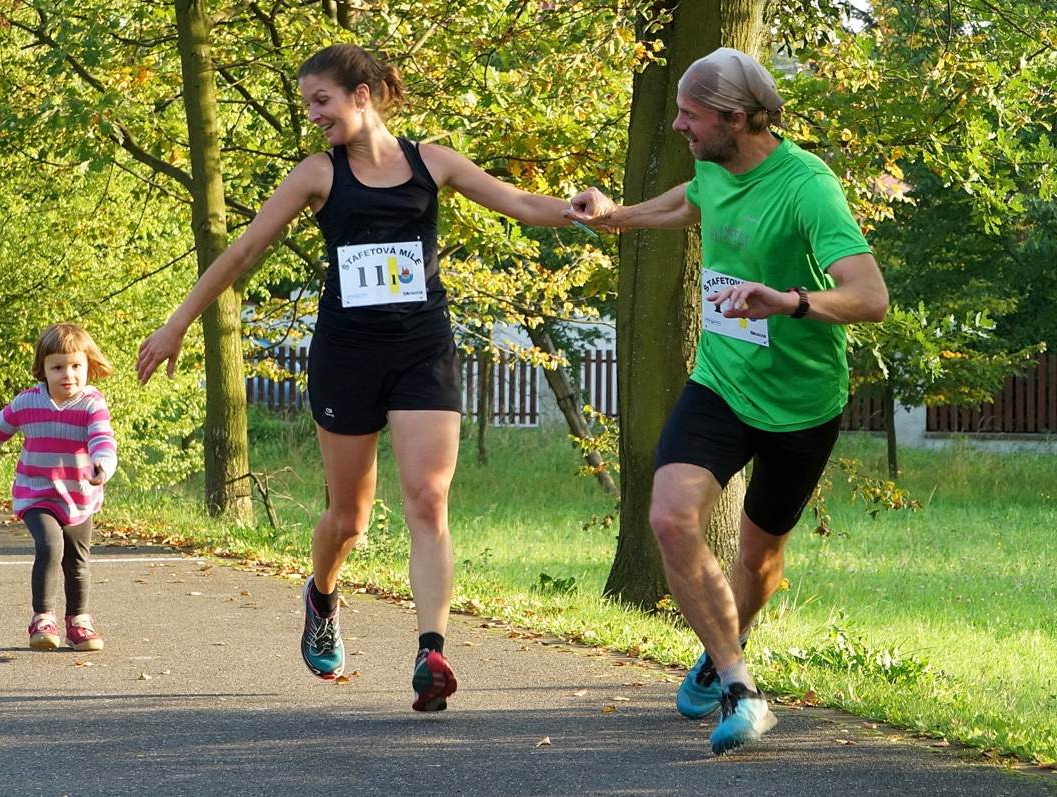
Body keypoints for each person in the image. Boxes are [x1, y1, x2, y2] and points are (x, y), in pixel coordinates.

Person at [136, 44, 577, 711]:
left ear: (363, 95)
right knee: (350, 517)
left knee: (428, 500)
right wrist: (177, 323)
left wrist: (588, 210)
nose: (313, 114)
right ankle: (321, 593)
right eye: (308, 103)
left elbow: (520, 203)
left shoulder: (434, 163)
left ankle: (431, 651)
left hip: (422, 350)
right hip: (347, 355)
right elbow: (246, 249)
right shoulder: (318, 174)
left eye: (323, 101)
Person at [568, 47, 889, 753]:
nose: (679, 125)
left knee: (761, 553)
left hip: (803, 401)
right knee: (672, 516)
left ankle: (720, 648)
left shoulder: (807, 188)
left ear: (737, 118)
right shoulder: (714, 168)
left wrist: (790, 301)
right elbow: (689, 200)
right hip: (720, 381)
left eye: (690, 114)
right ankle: (741, 686)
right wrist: (614, 215)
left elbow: (871, 298)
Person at [0, 322, 118, 652]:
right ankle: (42, 618)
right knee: (49, 545)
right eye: (57, 367)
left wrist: (103, 466)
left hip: (80, 495)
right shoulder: (27, 403)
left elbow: (103, 438)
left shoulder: (91, 404)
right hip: (37, 492)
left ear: (89, 367)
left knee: (77, 560)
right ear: (42, 369)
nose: (67, 375)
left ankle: (79, 623)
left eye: (75, 366)